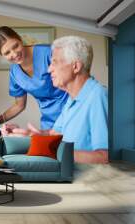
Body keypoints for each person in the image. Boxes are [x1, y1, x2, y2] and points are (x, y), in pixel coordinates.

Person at [28, 36, 108, 164]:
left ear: (75, 67)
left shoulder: (98, 96)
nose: (49, 69)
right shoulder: (71, 99)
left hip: (86, 180)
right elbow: (54, 134)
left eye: (54, 62)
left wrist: (53, 151)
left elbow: (105, 157)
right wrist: (30, 134)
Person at [0, 26, 68, 130]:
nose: (14, 54)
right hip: (49, 122)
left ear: (20, 39)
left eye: (15, 46)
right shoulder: (15, 73)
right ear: (1, 54)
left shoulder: (48, 53)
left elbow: (76, 81)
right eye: (7, 53)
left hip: (73, 112)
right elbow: (19, 105)